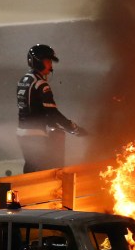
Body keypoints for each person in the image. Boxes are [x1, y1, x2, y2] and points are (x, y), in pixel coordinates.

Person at [16, 44, 84, 173]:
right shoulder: (40, 83)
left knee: (30, 168)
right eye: (47, 61)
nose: (50, 65)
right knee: (44, 173)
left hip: (22, 132)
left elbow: (33, 108)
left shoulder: (24, 79)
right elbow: (52, 112)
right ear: (37, 62)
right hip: (36, 134)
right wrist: (73, 128)